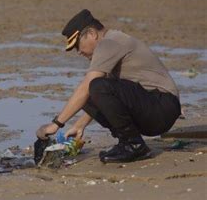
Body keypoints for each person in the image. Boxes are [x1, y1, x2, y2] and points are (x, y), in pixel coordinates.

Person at [36, 9, 181, 163]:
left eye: (78, 45)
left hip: (162, 107)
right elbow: (102, 96)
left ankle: (133, 145)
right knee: (95, 90)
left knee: (95, 86)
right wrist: (80, 125)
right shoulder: (111, 43)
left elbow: (88, 88)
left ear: (92, 34)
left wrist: (55, 124)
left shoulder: (109, 43)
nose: (78, 52)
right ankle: (128, 142)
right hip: (154, 108)